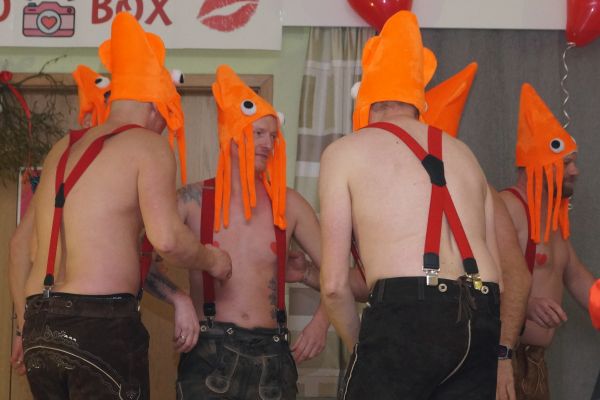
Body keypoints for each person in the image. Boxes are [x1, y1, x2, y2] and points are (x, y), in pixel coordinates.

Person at [8, 12, 231, 400]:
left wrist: (22, 327)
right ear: (157, 106)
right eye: (167, 119)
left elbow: (18, 246)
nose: (164, 129)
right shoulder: (147, 144)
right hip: (99, 325)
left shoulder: (62, 148)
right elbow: (167, 239)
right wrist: (213, 260)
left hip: (39, 327)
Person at [319, 11, 502, 399]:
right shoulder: (465, 154)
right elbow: (497, 266)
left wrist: (361, 349)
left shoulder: (345, 152)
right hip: (483, 311)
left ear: (366, 98)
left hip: (409, 312)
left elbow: (334, 286)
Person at [168, 64, 328, 400]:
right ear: (232, 133)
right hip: (208, 356)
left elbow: (337, 273)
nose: (268, 143)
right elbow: (141, 258)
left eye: (273, 136)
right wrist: (179, 299)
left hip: (273, 360)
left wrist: (321, 321)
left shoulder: (290, 204)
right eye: (258, 133)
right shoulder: (191, 200)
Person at [425, 63, 532, 400]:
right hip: (411, 348)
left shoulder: (479, 189)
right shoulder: (391, 190)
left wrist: (503, 355)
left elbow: (516, 275)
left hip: (468, 349)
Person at [499, 83, 597, 400]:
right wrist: (524, 305)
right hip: (501, 359)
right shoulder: (507, 208)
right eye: (565, 162)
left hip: (535, 363)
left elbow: (579, 280)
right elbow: (476, 282)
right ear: (535, 163)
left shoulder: (553, 223)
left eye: (574, 161)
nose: (575, 171)